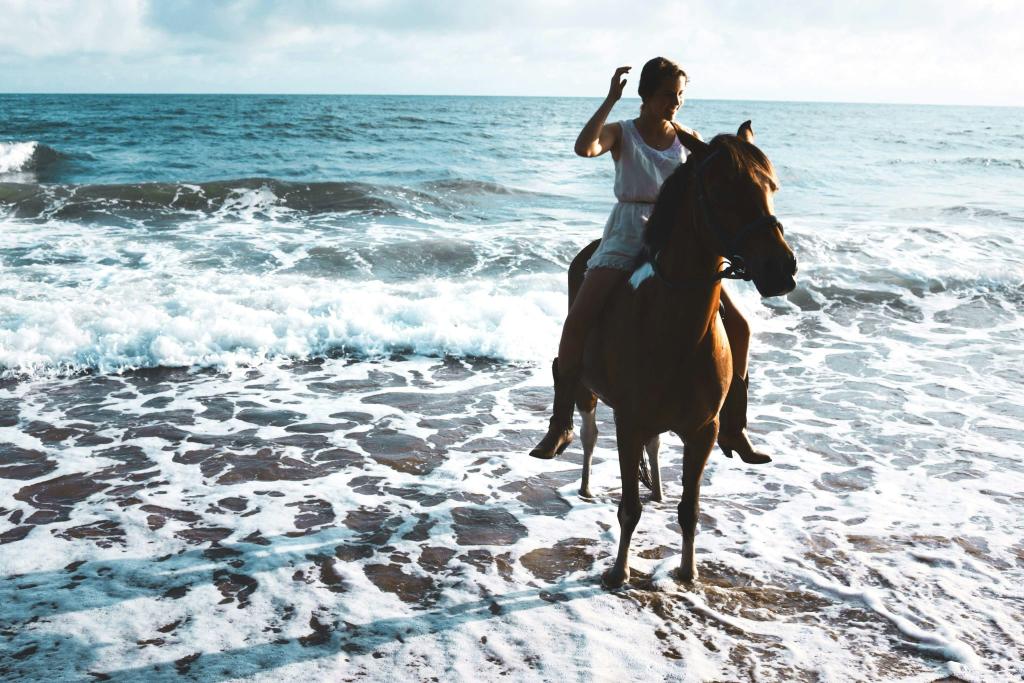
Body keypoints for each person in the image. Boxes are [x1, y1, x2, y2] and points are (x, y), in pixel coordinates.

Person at [528, 56, 771, 465]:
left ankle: (734, 426)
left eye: (679, 95)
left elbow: (720, 177)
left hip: (675, 239)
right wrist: (609, 100)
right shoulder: (622, 133)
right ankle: (561, 423)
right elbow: (583, 147)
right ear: (645, 95)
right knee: (577, 321)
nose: (673, 103)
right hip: (627, 234)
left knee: (742, 326)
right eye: (665, 95)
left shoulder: (687, 139)